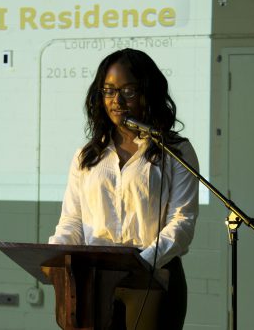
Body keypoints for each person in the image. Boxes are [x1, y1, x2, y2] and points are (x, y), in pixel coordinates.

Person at [48, 48, 199, 329]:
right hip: (95, 278)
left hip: (154, 277)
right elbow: (72, 220)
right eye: (108, 91)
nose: (116, 101)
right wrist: (55, 255)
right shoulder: (87, 155)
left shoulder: (176, 151)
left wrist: (139, 263)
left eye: (127, 91)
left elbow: (182, 222)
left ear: (147, 93)